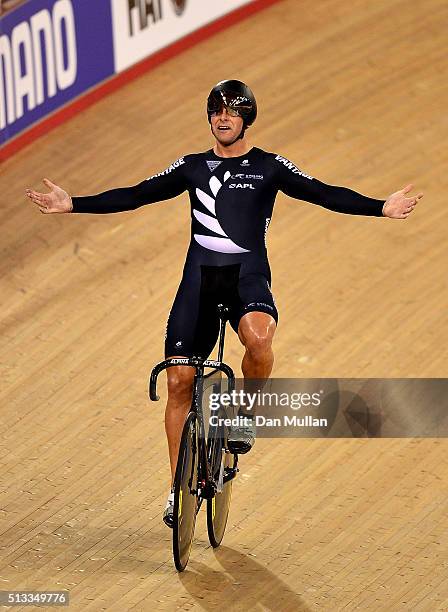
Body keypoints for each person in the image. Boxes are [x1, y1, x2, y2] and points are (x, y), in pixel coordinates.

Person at [26, 79, 423, 527]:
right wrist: (72, 203)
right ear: (210, 118)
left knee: (258, 337)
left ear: (246, 118)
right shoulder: (191, 167)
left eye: (233, 111)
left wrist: (379, 207)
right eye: (216, 110)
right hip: (198, 284)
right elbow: (136, 194)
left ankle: (246, 411)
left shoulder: (269, 167)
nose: (223, 117)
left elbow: (324, 193)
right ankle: (176, 487)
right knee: (178, 382)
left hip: (246, 280)